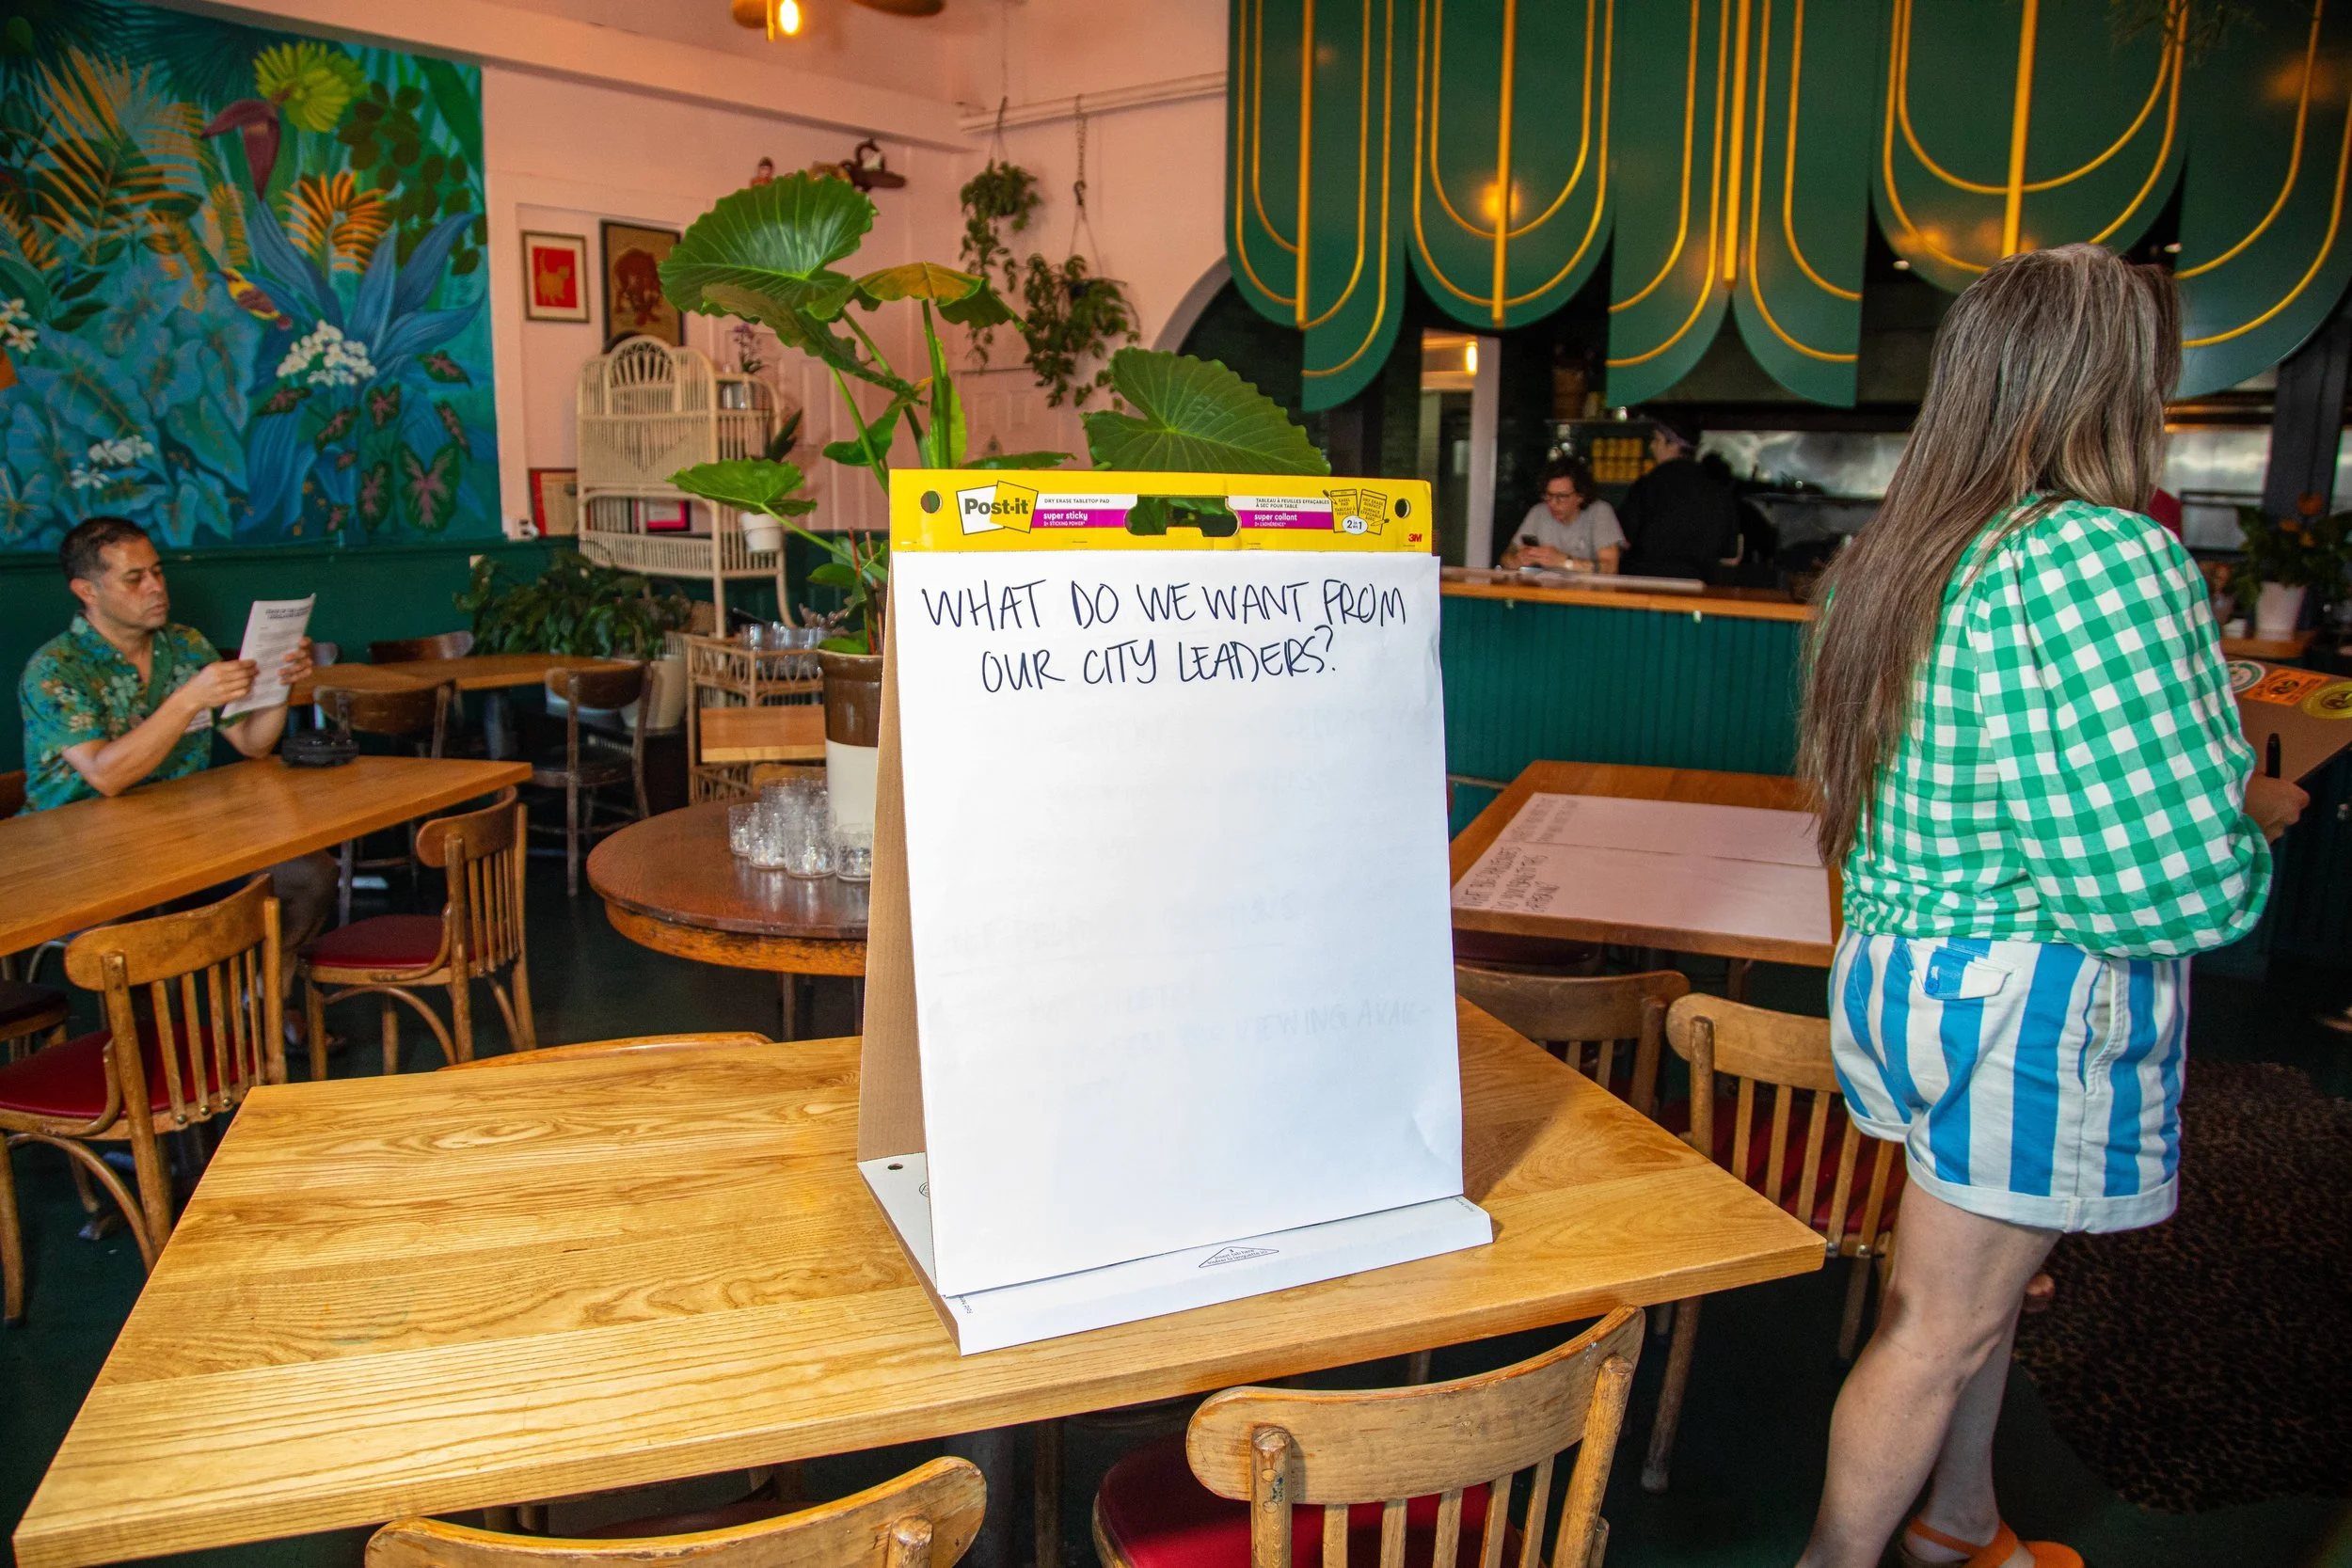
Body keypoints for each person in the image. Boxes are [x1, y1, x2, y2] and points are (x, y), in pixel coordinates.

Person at [1795, 245, 2306, 1568]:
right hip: (2024, 1000)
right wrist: (2249, 813)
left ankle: (1960, 1523)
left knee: (1971, 1300)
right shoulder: (2100, 557)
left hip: (1901, 974)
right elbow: (2156, 884)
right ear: (2115, 386)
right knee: (1935, 1325)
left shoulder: (1888, 555)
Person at [19, 515, 335, 974]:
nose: (155, 586)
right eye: (134, 578)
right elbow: (106, 776)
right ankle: (145, 1039)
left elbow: (252, 743)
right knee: (132, 928)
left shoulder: (186, 646)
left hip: (182, 839)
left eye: (158, 571)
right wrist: (188, 700)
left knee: (310, 874)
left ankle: (265, 1002)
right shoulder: (54, 668)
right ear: (87, 591)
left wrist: (280, 684)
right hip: (79, 859)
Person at [1616, 413, 1740, 581]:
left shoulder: (1648, 486)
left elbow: (1624, 539)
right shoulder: (1718, 491)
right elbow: (1730, 557)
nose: (1652, 447)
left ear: (1673, 445)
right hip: (1699, 589)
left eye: (1657, 440)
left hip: (1645, 586)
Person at [1501, 457, 1624, 573]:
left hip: (1589, 593)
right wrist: (1517, 560)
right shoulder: (1538, 512)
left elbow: (1610, 568)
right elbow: (1505, 559)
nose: (1553, 503)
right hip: (1546, 591)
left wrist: (1563, 561)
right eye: (1549, 495)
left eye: (1562, 497)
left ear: (1580, 495)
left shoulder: (1600, 511)